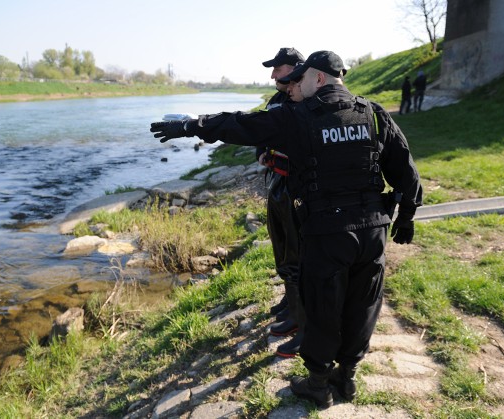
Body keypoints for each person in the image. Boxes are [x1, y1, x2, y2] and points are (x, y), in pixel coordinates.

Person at [151, 50, 422, 408]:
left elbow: (242, 124)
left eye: (302, 78)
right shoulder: (373, 114)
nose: (296, 84)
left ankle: (318, 383)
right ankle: (349, 377)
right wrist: (406, 216)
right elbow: (405, 168)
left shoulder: (298, 116)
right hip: (373, 231)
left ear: (319, 79)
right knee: (364, 304)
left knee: (322, 306)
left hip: (327, 231)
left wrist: (189, 126)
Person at [257, 48, 306, 358]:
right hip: (276, 183)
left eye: (278, 68)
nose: (273, 74)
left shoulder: (303, 99)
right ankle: (291, 303)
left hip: (297, 189)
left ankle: (302, 319)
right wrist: (260, 153)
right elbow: (260, 132)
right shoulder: (277, 100)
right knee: (282, 247)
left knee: (297, 252)